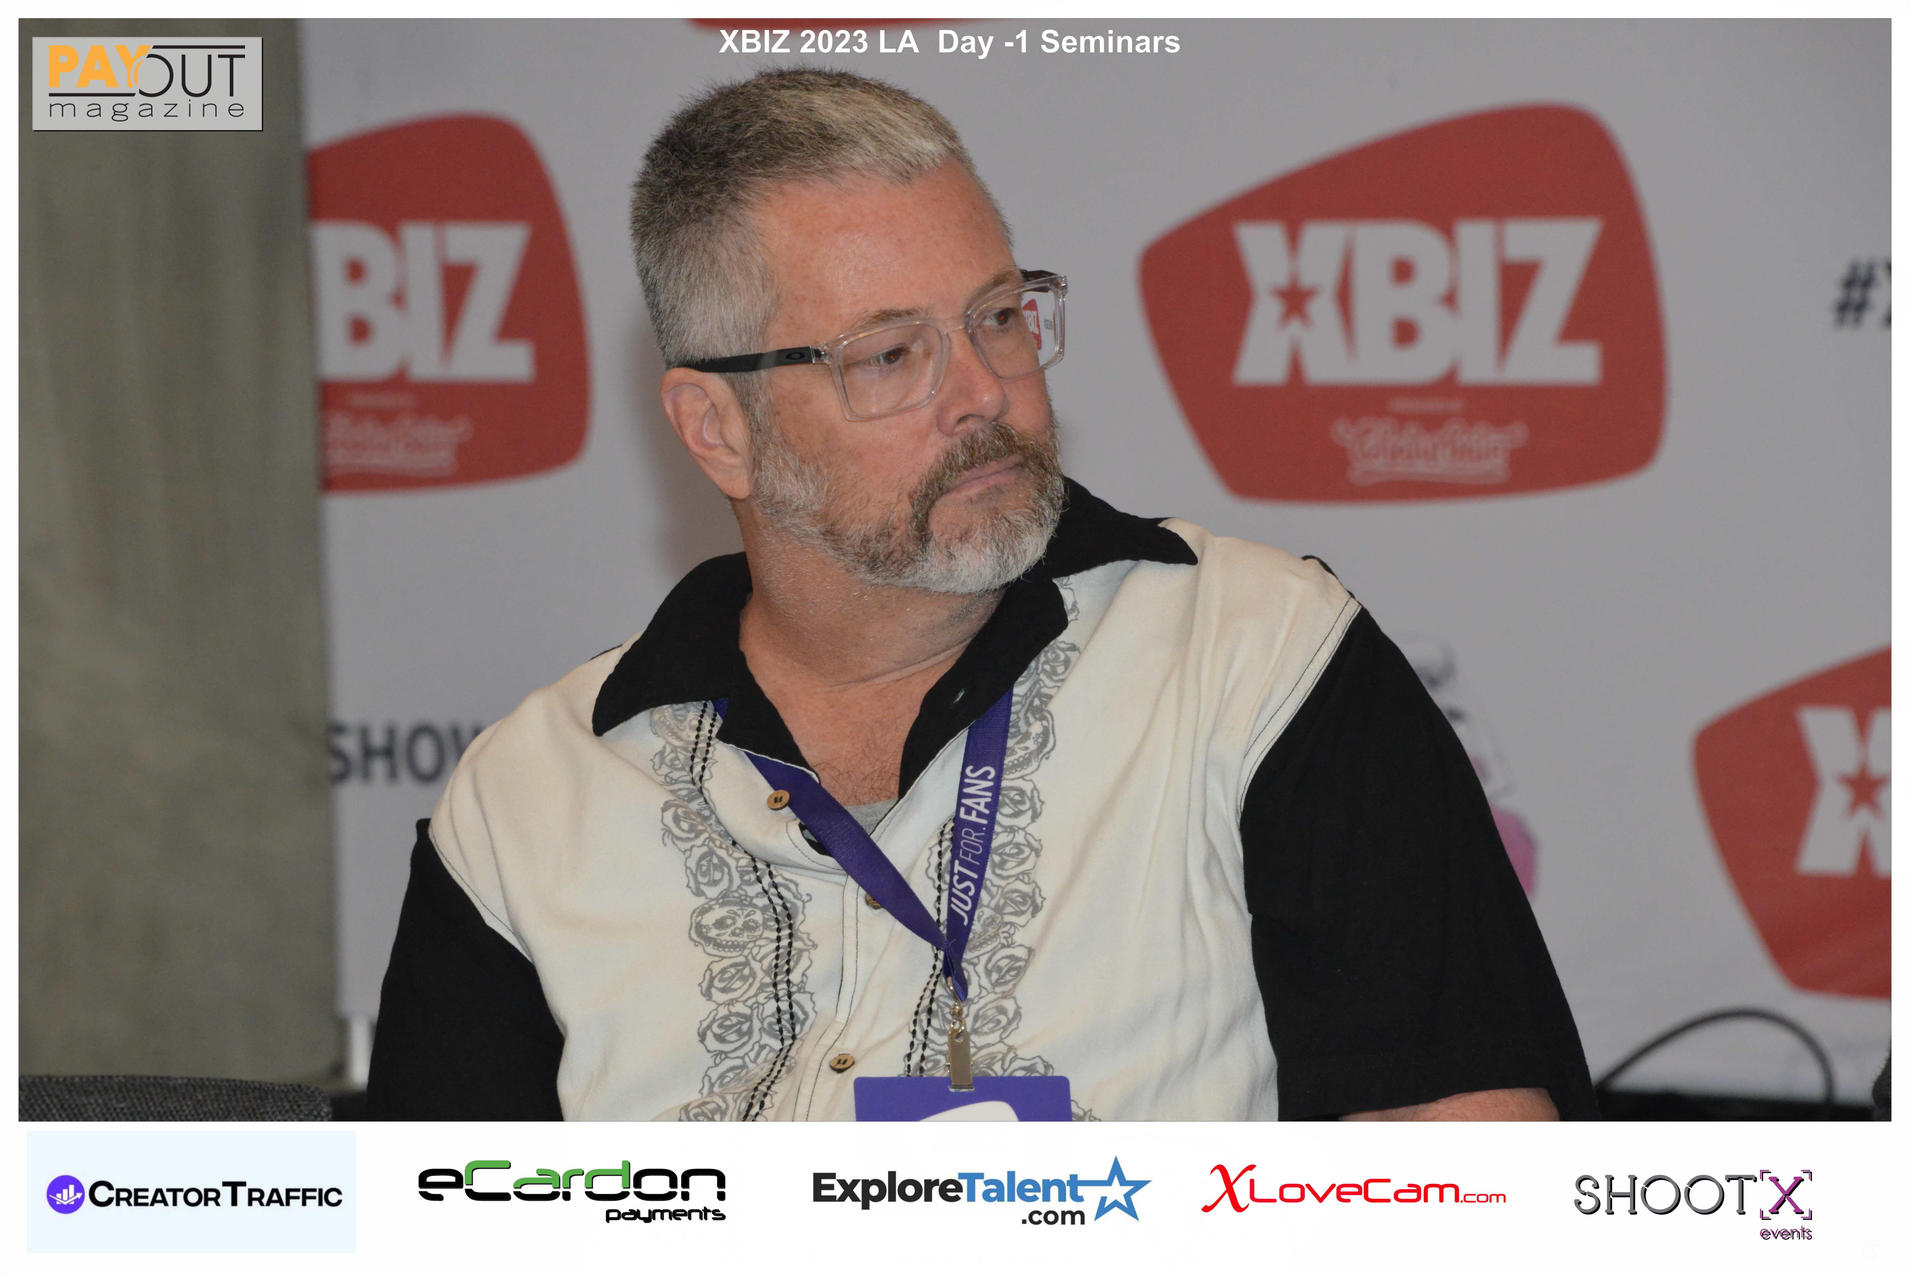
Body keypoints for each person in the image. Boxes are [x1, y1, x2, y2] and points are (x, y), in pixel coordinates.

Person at [366, 67, 1598, 1121]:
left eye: (998, 316)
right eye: (890, 354)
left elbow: (1472, 1178)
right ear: (716, 428)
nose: (985, 393)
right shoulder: (526, 805)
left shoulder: (1258, 663)